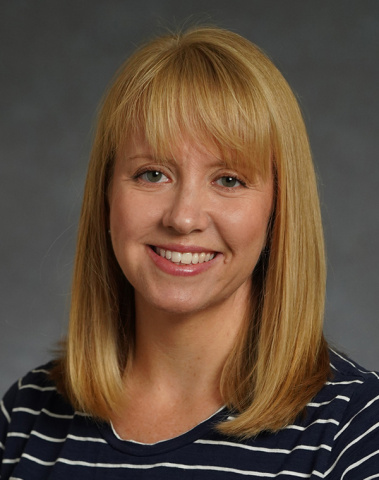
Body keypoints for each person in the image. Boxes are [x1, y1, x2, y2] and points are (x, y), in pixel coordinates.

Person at [1, 26, 378, 479]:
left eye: (228, 180)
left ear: (279, 210)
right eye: (152, 174)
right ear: (105, 196)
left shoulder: (354, 433)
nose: (183, 218)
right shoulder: (24, 420)